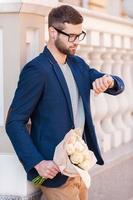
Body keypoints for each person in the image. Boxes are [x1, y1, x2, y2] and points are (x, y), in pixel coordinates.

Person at [5, 5, 124, 200]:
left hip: (79, 171)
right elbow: (14, 122)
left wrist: (111, 81)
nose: (76, 41)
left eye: (79, 35)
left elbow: (114, 83)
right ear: (53, 32)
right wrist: (37, 163)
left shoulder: (78, 65)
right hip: (50, 175)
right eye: (71, 36)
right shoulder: (37, 70)